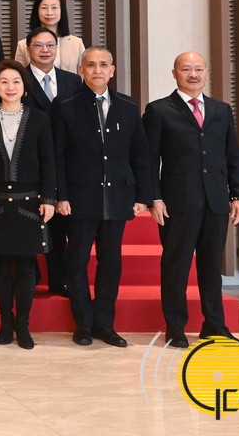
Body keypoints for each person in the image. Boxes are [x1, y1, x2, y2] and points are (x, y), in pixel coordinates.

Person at [143, 52, 239, 348]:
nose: (193, 74)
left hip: (216, 201)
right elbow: (149, 160)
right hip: (177, 202)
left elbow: (233, 156)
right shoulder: (158, 110)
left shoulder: (221, 110)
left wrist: (237, 194)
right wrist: (154, 198)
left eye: (198, 69)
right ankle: (175, 326)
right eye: (186, 69)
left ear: (206, 72)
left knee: (211, 266)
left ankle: (214, 324)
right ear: (174, 73)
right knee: (175, 266)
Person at [53, 47, 155, 348]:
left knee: (111, 263)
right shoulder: (65, 105)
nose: (97, 70)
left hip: (117, 195)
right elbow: (57, 156)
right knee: (77, 261)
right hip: (79, 197)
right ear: (81, 71)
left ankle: (104, 324)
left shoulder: (128, 105)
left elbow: (141, 154)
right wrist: (60, 195)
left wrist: (143, 195)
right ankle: (83, 324)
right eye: (90, 65)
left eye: (103, 65)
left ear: (112, 70)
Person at [0, 61, 57, 350]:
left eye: (16, 81)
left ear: (25, 87)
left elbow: (48, 161)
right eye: (4, 82)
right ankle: (5, 322)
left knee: (27, 266)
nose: (11, 87)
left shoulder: (40, 119)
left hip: (30, 203)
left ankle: (23, 323)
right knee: (0, 264)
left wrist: (48, 199)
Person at [18, 26, 81, 298]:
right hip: (28, 163)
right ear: (28, 49)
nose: (45, 50)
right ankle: (30, 277)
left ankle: (59, 278)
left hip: (66, 162)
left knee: (59, 225)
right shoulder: (18, 80)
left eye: (50, 45)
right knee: (29, 222)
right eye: (38, 45)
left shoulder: (73, 81)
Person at [14, 0, 86, 72]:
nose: (49, 13)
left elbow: (83, 75)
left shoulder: (76, 43)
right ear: (37, 11)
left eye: (54, 7)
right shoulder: (23, 45)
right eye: (44, 8)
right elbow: (18, 75)